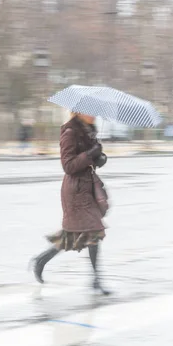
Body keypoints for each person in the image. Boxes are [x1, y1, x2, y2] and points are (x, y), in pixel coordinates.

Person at [30, 112, 111, 295]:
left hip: (87, 188)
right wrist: (90, 154)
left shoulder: (88, 131)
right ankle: (96, 281)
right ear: (80, 113)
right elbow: (68, 166)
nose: (94, 116)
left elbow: (88, 161)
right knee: (92, 231)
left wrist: (99, 157)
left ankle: (41, 260)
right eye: (91, 113)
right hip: (75, 192)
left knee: (80, 234)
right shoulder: (70, 132)